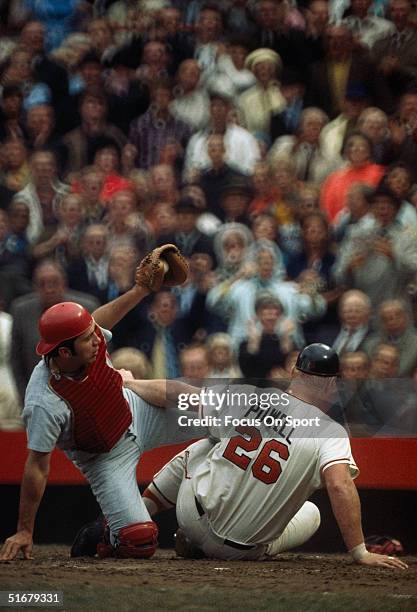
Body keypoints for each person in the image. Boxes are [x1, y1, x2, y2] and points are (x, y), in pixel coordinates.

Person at [0, 246, 198, 562]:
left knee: (215, 413)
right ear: (64, 353)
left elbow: (96, 321)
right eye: (87, 339)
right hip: (104, 457)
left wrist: (139, 291)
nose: (97, 340)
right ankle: (105, 533)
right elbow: (37, 467)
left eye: (94, 333)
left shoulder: (83, 338)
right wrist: (25, 530)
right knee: (139, 542)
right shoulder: (43, 401)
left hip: (137, 411)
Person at [136, 344, 407, 569]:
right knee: (311, 512)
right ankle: (244, 545)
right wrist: (360, 552)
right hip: (242, 552)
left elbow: (177, 394)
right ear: (332, 386)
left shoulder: (250, 397)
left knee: (207, 444)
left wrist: (129, 381)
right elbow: (338, 485)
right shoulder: (330, 432)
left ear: (293, 372)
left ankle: (136, 518)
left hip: (191, 517)